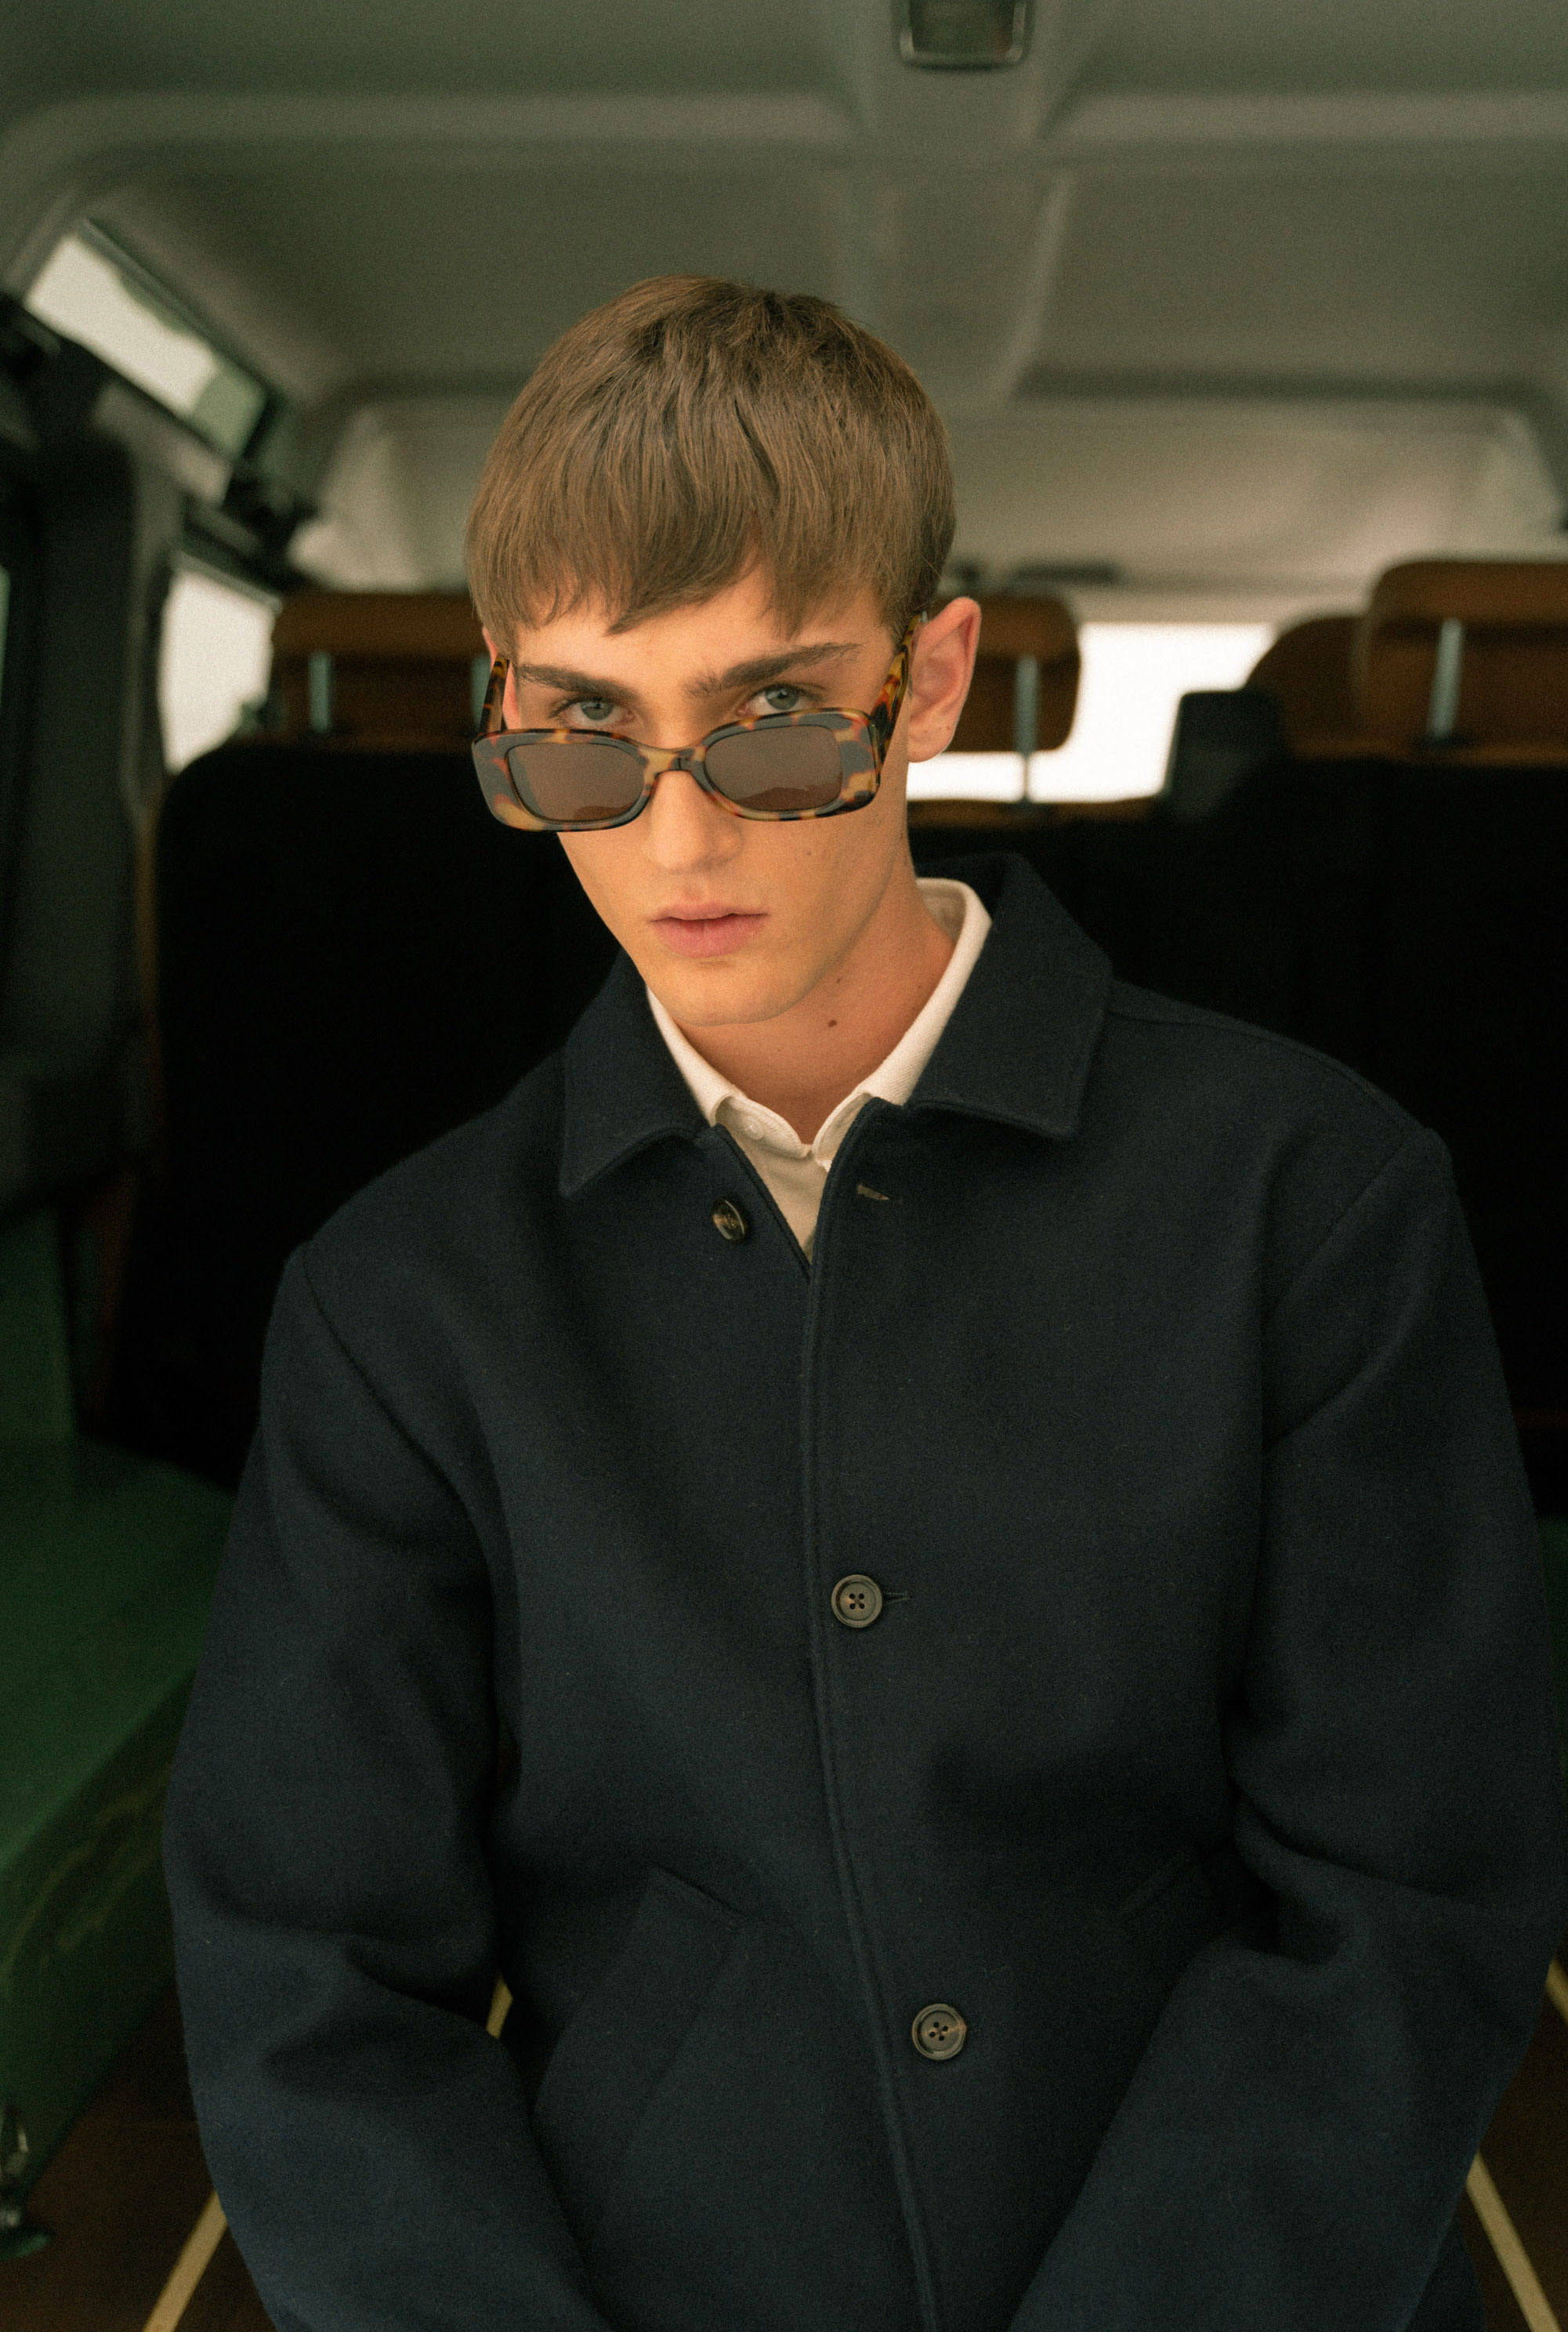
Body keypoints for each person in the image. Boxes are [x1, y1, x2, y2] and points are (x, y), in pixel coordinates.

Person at [163, 276, 1567, 2332]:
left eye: (776, 724)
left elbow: (1403, 1896)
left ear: (931, 683)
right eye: (582, 738)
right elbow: (311, 1986)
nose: (677, 836)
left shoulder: (1309, 1199)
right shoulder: (398, 1303)